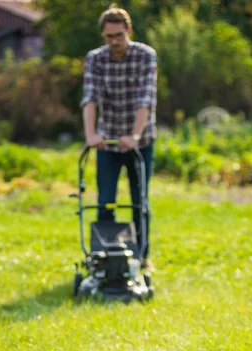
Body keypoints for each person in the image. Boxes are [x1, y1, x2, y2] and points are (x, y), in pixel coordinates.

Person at [81, 5, 157, 270]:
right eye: (108, 37)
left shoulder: (145, 56)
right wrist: (91, 135)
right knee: (106, 201)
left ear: (129, 31)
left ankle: (142, 257)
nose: (114, 41)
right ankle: (104, 257)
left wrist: (134, 135)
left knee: (139, 201)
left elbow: (145, 98)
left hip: (141, 142)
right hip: (108, 141)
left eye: (118, 35)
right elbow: (90, 97)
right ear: (103, 35)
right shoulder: (95, 58)